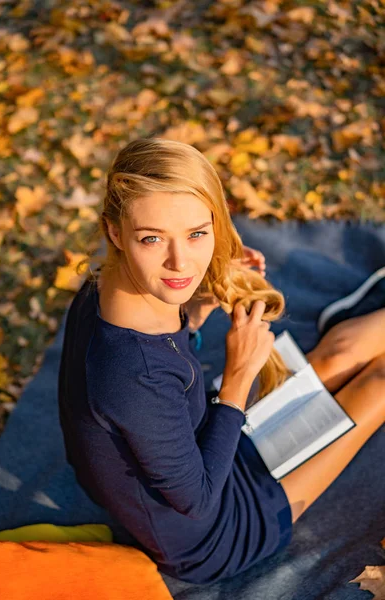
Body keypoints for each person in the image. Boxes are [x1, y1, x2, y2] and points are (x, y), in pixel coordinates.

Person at [58, 137, 385, 585]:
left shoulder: (105, 288)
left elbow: (161, 365)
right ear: (113, 231)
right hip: (213, 530)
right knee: (378, 385)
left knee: (343, 354)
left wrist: (199, 307)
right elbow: (198, 500)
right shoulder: (133, 375)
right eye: (152, 239)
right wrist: (236, 381)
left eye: (196, 234)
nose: (180, 262)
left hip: (203, 439)